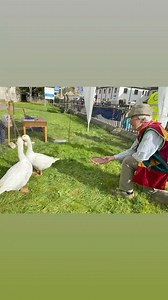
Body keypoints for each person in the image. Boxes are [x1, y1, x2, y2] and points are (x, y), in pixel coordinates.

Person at [91, 104, 168, 203]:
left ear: (143, 120)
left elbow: (141, 156)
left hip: (161, 166)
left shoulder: (151, 133)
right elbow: (132, 150)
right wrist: (112, 157)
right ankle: (128, 190)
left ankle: (126, 193)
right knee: (131, 161)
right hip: (158, 163)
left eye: (132, 118)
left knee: (129, 162)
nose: (130, 122)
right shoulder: (148, 129)